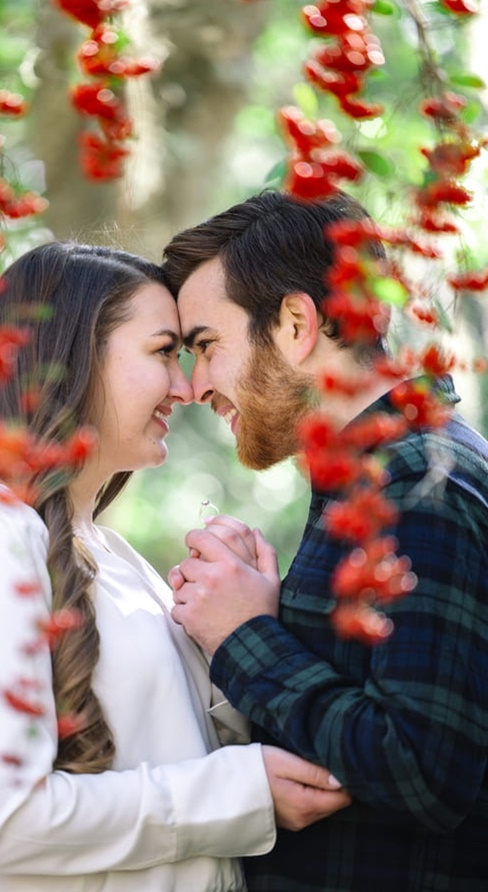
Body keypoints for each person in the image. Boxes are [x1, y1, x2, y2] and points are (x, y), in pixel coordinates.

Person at [0, 241, 351, 891]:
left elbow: (175, 760)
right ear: (78, 354)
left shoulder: (116, 557)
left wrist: (242, 625)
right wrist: (239, 793)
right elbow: (1, 822)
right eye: (164, 352)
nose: (189, 386)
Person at [162, 189, 488, 891]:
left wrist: (244, 634)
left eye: (207, 347)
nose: (193, 386)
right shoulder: (375, 475)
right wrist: (276, 619)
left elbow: (420, 773)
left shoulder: (418, 484)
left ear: (295, 323)